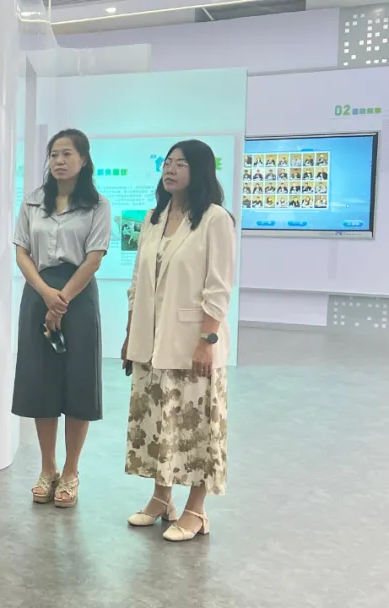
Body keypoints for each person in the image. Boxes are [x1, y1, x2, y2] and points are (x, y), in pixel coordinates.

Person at [122, 139, 235, 542]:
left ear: (199, 170)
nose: (170, 169)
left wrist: (207, 339)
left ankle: (196, 511)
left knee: (196, 427)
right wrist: (130, 333)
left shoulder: (215, 219)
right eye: (167, 163)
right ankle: (161, 499)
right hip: (150, 342)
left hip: (192, 342)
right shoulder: (153, 217)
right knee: (159, 423)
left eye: (180, 164)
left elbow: (219, 286)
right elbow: (138, 282)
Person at [11, 129, 111, 509]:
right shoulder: (33, 201)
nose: (59, 161)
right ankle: (47, 468)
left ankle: (71, 471)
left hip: (78, 296)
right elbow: (22, 252)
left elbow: (94, 258)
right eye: (54, 154)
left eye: (67, 154)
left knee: (78, 381)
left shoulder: (97, 205)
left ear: (84, 160)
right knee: (41, 380)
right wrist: (45, 294)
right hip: (38, 293)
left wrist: (62, 298)